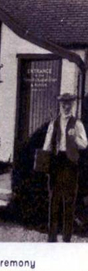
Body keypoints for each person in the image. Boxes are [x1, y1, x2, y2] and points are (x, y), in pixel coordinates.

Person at [43, 93, 87, 242]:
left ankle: (67, 239)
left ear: (73, 105)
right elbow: (47, 143)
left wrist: (75, 138)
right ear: (60, 105)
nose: (66, 106)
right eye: (63, 104)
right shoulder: (54, 123)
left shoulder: (77, 123)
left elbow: (85, 144)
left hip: (70, 164)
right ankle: (52, 238)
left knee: (69, 201)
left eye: (69, 104)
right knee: (54, 200)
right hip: (56, 162)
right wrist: (44, 161)